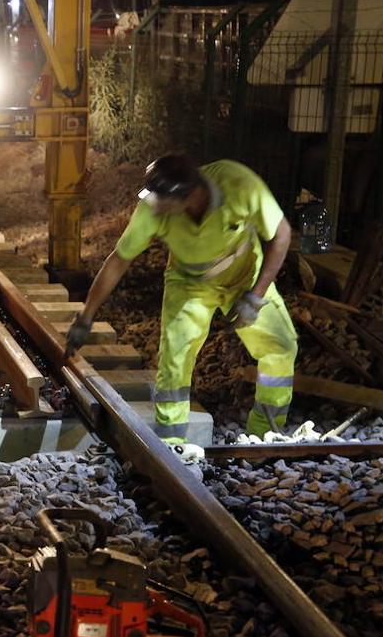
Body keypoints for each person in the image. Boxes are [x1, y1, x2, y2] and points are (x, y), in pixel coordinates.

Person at [66, 154, 298, 448]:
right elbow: (118, 260)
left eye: (162, 201)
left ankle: (266, 434)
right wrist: (86, 316)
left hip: (245, 276)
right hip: (189, 283)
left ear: (190, 195)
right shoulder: (152, 208)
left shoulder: (238, 184)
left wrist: (256, 296)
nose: (154, 206)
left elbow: (281, 234)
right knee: (175, 357)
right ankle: (172, 443)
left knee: (280, 346)